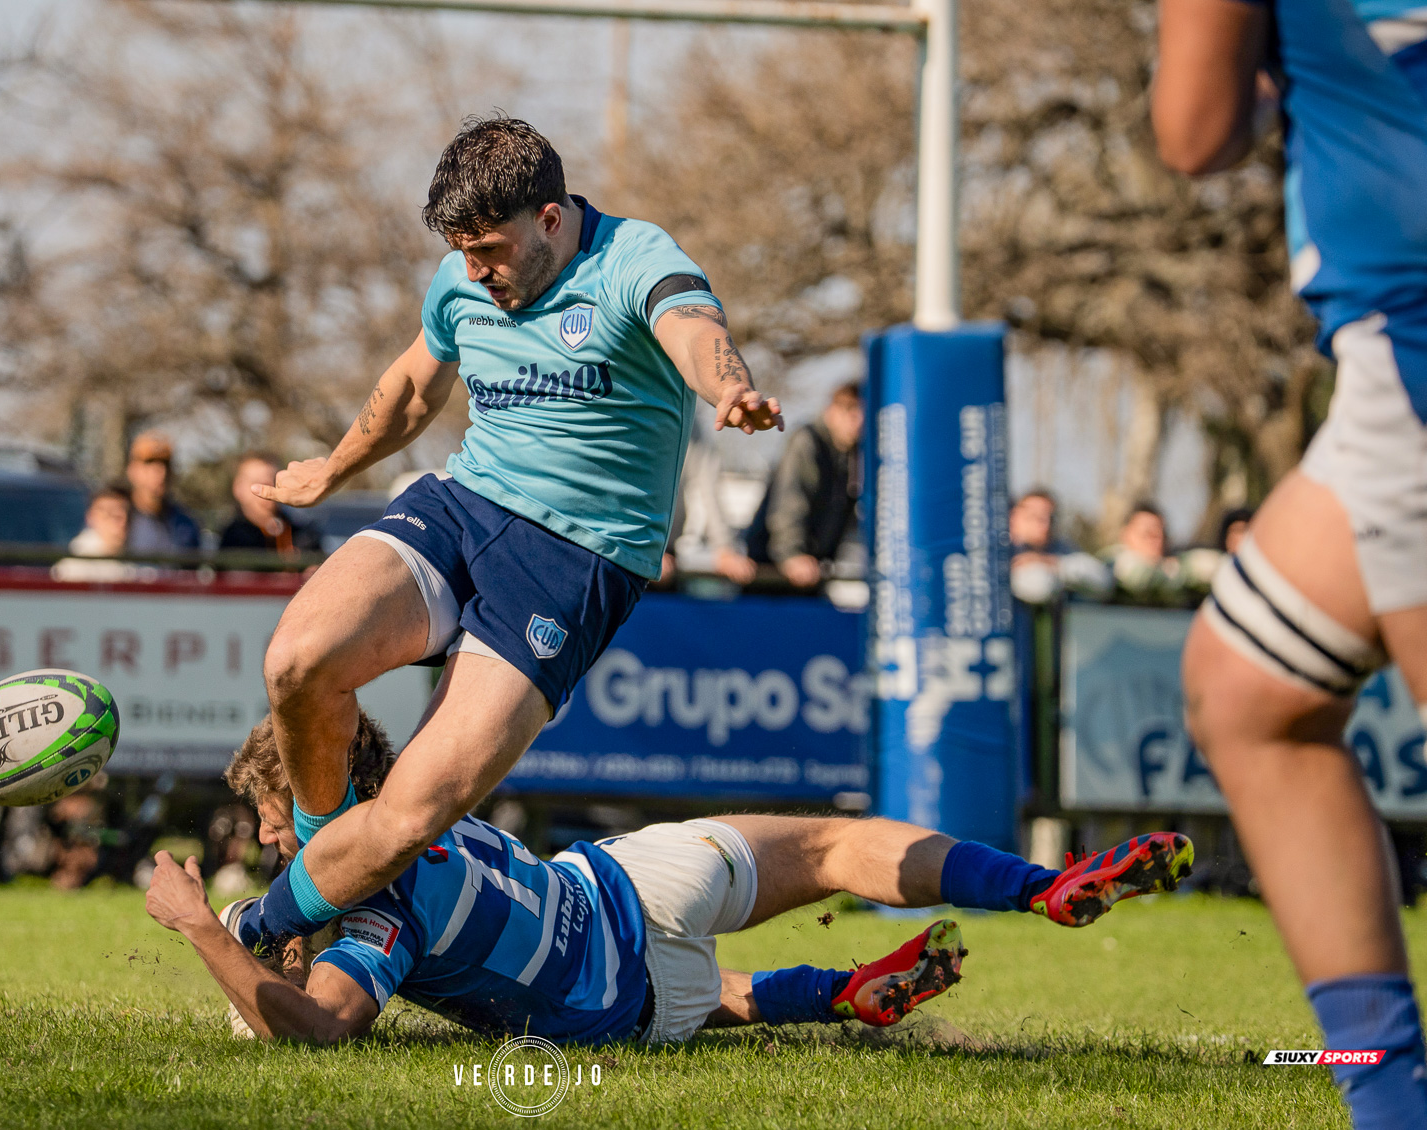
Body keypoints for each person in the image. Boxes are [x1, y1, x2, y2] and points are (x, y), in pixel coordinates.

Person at [241, 116, 784, 949]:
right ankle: (324, 867)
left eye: (489, 249)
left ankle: (266, 925)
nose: (474, 271)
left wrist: (729, 389)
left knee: (413, 812)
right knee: (297, 663)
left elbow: (693, 329)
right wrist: (333, 471)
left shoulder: (636, 259)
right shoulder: (462, 278)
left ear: (552, 220)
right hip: (464, 506)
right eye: (462, 251)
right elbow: (416, 390)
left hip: (575, 560)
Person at [145, 710, 1193, 1045]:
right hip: (629, 884)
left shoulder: (376, 912)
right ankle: (1043, 887)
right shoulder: (423, 793)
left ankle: (832, 993)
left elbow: (321, 1027)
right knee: (840, 844)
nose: (280, 847)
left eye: (283, 826)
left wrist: (204, 926)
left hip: (615, 1002)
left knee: (723, 998)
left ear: (320, 814)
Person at [1157, 0, 1427, 1122]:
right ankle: (1393, 1096)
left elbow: (1194, 130)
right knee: (1249, 689)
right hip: (1387, 373)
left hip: (1413, 341)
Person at [719, 381, 863, 589]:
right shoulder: (807, 442)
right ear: (831, 411)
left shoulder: (853, 453)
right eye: (850, 411)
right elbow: (789, 501)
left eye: (861, 412)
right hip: (773, 570)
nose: (858, 421)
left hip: (813, 569)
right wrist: (791, 554)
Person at [216, 452, 320, 555]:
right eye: (258, 483)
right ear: (238, 488)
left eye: (274, 480)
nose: (268, 488)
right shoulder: (234, 538)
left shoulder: (302, 533)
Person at [121, 431, 201, 554]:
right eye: (149, 463)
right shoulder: (118, 518)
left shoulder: (184, 525)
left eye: (165, 465)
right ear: (132, 469)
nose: (161, 473)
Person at [52, 485, 138, 582]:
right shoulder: (76, 566)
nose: (123, 522)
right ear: (91, 517)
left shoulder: (143, 551)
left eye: (129, 514)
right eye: (112, 514)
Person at [1100, 501, 1182, 596]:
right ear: (1125, 534)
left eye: (1161, 535)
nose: (1156, 541)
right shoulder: (1110, 566)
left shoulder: (1175, 566)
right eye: (1147, 533)